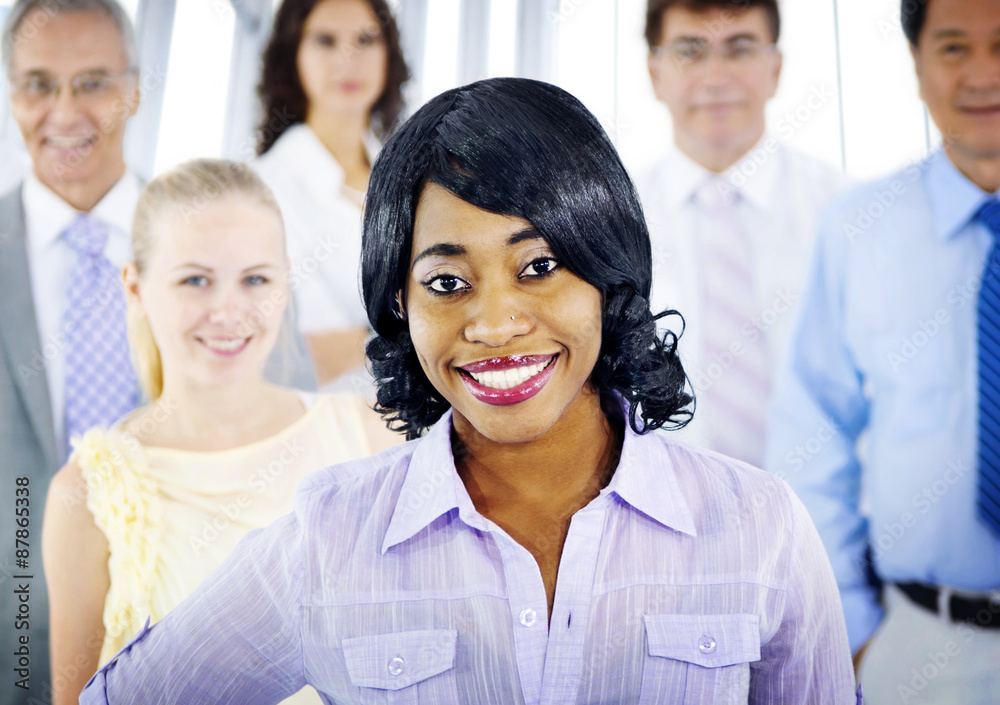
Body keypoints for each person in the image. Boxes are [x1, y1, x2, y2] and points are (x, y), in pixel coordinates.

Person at [78, 77, 857, 705]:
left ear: (608, 272)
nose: (495, 323)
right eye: (447, 282)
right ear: (400, 306)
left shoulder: (762, 530)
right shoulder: (329, 540)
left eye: (540, 267)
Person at [0, 4, 315, 702]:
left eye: (93, 82)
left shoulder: (228, 242)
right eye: (38, 84)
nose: (64, 112)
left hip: (201, 639)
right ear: (10, 91)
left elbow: (288, 427)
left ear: (136, 90)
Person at [41, 159, 399, 705]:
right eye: (195, 280)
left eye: (255, 279)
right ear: (134, 288)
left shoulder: (373, 437)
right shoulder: (85, 495)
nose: (229, 312)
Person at [765, 0, 1000, 702]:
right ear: (917, 63)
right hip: (924, 648)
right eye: (954, 47)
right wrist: (852, 630)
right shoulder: (860, 230)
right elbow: (811, 436)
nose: (983, 74)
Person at [638, 0, 851, 467]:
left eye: (739, 49)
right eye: (690, 51)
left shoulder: (846, 213)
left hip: (822, 503)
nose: (715, 77)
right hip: (660, 498)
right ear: (655, 72)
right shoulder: (613, 221)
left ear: (775, 68)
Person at [254, 0, 408, 392]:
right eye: (325, 41)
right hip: (320, 420)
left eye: (366, 40)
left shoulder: (412, 178)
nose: (348, 59)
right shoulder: (263, 188)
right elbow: (298, 355)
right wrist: (419, 332)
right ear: (293, 55)